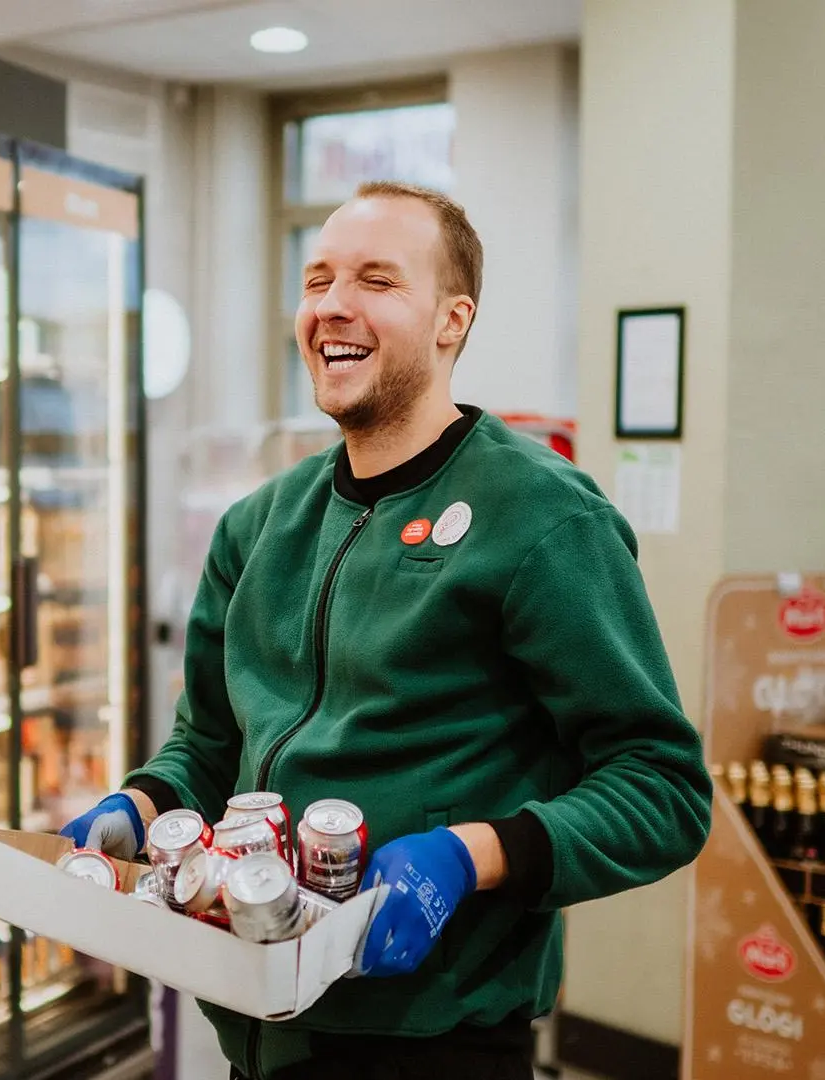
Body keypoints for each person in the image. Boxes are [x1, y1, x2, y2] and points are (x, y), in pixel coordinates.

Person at [60, 180, 713, 1079]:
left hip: (435, 1038)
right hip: (255, 1022)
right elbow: (210, 745)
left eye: (376, 281)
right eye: (318, 279)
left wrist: (471, 855)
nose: (333, 306)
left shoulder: (544, 521)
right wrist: (140, 805)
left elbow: (663, 789)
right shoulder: (259, 527)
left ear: (453, 319)